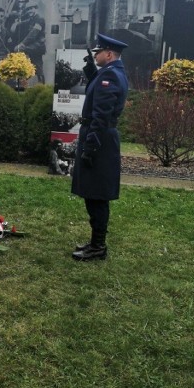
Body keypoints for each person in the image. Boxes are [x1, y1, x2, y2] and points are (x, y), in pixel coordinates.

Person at [71, 33, 128, 262]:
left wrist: (91, 146)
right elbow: (101, 99)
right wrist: (91, 73)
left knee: (96, 196)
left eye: (98, 52)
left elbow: (101, 114)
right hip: (101, 138)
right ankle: (96, 242)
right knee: (94, 194)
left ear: (109, 54)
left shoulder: (111, 76)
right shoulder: (111, 73)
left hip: (100, 140)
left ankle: (98, 246)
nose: (95, 55)